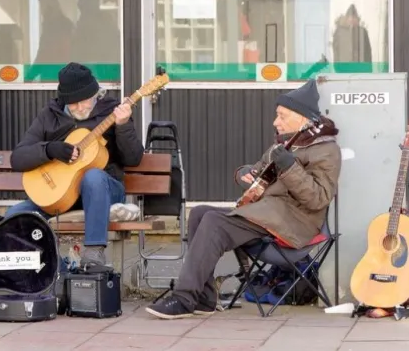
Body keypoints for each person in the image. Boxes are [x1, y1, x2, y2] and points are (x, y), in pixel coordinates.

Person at [146, 79, 342, 319]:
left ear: (302, 118)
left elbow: (318, 199)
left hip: (295, 225)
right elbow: (258, 172)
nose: (275, 122)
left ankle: (184, 298)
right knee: (199, 213)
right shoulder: (284, 145)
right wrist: (244, 173)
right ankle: (204, 299)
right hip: (267, 215)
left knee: (214, 222)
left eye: (281, 116)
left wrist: (289, 167)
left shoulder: (326, 150)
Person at [7, 62, 145, 267]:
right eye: (73, 103)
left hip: (104, 190)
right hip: (61, 196)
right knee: (14, 217)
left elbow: (133, 158)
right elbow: (17, 158)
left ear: (95, 94)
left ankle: (94, 253)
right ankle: (58, 270)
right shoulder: (49, 116)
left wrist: (123, 126)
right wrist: (49, 149)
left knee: (93, 176)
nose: (80, 107)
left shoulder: (111, 111)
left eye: (85, 101)